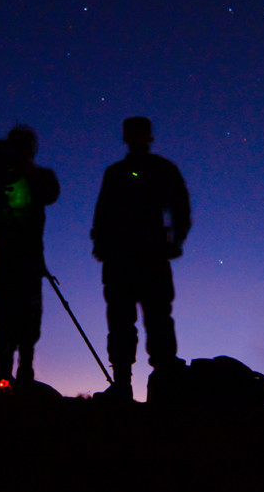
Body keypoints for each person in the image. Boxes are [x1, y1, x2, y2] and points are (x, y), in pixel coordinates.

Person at [90, 116, 191, 401]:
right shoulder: (121, 172)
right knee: (126, 321)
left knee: (153, 319)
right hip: (126, 257)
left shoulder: (157, 169)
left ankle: (159, 384)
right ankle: (127, 384)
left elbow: (181, 209)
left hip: (146, 256)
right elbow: (102, 213)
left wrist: (175, 242)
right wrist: (101, 242)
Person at [0, 125, 60, 383]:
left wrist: (21, 171)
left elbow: (52, 194)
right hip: (7, 259)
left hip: (29, 258)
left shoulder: (40, 177)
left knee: (28, 316)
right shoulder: (4, 178)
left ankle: (24, 370)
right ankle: (4, 372)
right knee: (3, 316)